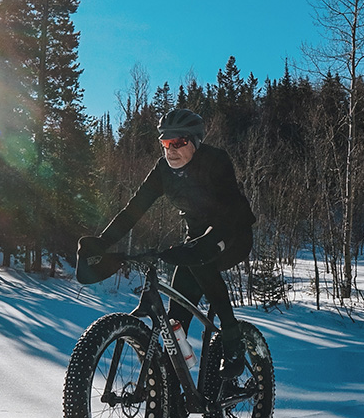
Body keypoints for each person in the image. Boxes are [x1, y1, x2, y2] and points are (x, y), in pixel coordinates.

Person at [80, 108, 255, 377]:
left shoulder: (215, 161)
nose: (170, 150)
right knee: (176, 315)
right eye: (165, 143)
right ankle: (175, 384)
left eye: (178, 142)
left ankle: (233, 342)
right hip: (195, 239)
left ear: (195, 142)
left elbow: (231, 210)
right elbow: (133, 209)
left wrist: (210, 241)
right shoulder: (163, 170)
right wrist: (102, 243)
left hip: (232, 233)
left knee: (202, 265)